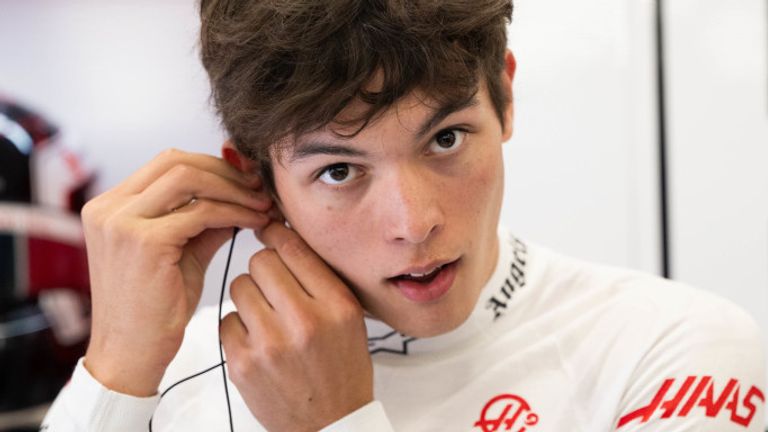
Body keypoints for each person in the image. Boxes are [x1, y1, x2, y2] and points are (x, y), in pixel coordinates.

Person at [42, 0, 765, 431]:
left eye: (445, 139)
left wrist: (337, 425)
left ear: (504, 100)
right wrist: (114, 371)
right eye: (338, 171)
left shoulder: (676, 349)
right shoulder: (172, 371)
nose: (414, 223)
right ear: (256, 178)